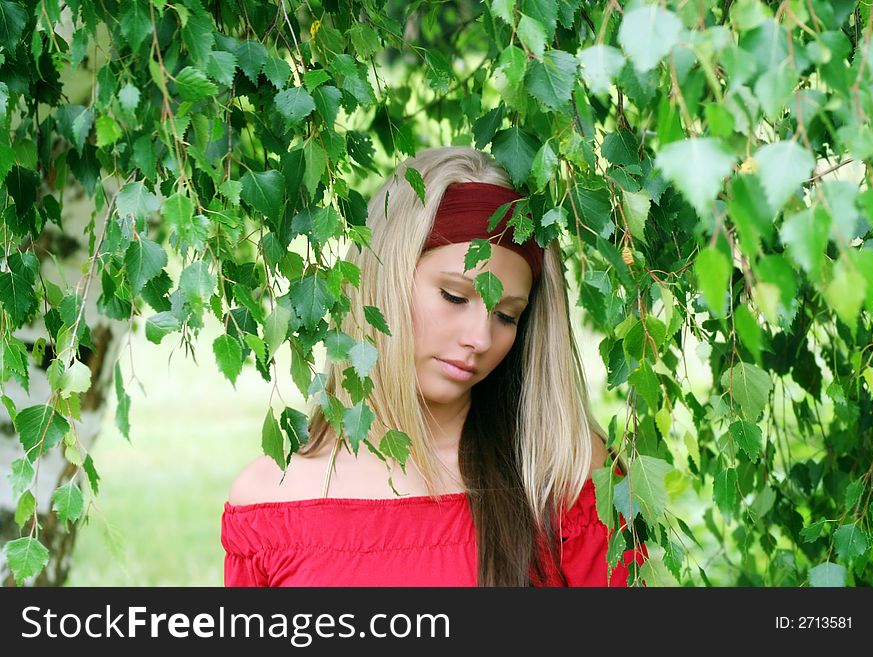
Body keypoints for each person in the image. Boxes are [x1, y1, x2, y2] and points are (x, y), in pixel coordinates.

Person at [222, 146, 645, 586]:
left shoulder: (564, 474)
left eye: (506, 316)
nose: (480, 339)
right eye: (455, 297)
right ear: (382, 280)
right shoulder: (268, 502)